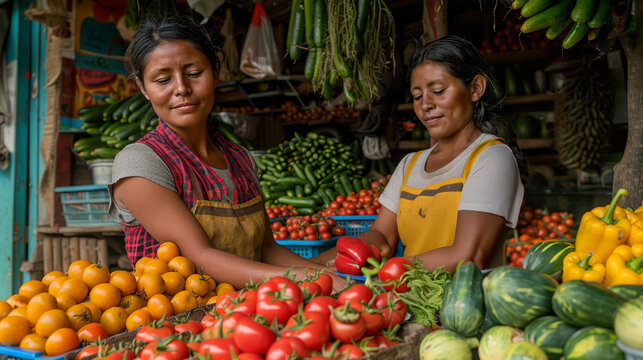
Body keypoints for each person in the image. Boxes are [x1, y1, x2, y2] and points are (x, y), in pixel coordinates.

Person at [108, 14, 343, 291]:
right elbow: (200, 258)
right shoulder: (141, 162)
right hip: (178, 323)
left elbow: (267, 250)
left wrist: (323, 271)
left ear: (216, 72)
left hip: (248, 314)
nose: (182, 89)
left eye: (194, 73)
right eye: (162, 80)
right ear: (143, 88)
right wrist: (309, 277)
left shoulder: (240, 159)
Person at [318, 36, 527, 272]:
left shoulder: (492, 157)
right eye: (417, 96)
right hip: (410, 300)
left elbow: (468, 255)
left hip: (464, 304)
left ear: (476, 88)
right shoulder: (410, 164)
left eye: (438, 91)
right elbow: (382, 236)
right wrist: (346, 254)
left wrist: (389, 270)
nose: (425, 105)